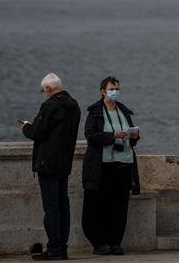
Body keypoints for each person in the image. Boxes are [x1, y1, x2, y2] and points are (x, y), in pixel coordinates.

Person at [20, 72, 81, 261]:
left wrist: (26, 127)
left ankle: (54, 248)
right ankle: (62, 248)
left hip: (48, 164)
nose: (43, 94)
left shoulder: (50, 105)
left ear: (48, 89)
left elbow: (38, 132)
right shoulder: (74, 105)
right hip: (64, 163)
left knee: (51, 207)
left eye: (43, 90)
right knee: (63, 206)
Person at [81, 76, 141, 256]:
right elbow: (91, 136)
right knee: (98, 206)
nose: (115, 92)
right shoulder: (95, 112)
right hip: (102, 166)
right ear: (102, 92)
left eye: (117, 89)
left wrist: (133, 136)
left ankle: (115, 242)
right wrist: (112, 136)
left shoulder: (123, 111)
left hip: (123, 164)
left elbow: (133, 139)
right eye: (111, 89)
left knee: (119, 207)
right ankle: (99, 243)